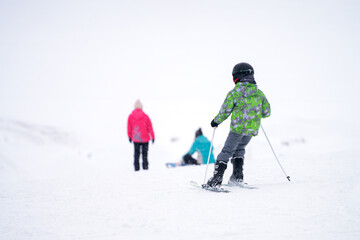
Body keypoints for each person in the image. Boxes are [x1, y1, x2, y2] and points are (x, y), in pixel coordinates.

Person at [203, 62, 271, 189]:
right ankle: (237, 177)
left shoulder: (235, 93)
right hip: (251, 129)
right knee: (240, 150)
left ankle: (216, 179)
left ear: (238, 76)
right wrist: (254, 113)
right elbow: (266, 112)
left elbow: (225, 111)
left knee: (227, 151)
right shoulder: (259, 93)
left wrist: (216, 121)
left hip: (237, 129)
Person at [127, 100, 155, 171]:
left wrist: (129, 136)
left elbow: (129, 127)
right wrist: (152, 136)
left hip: (136, 138)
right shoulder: (145, 116)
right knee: (145, 154)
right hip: (145, 138)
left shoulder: (130, 116)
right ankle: (145, 168)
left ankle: (136, 169)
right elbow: (150, 127)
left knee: (136, 154)